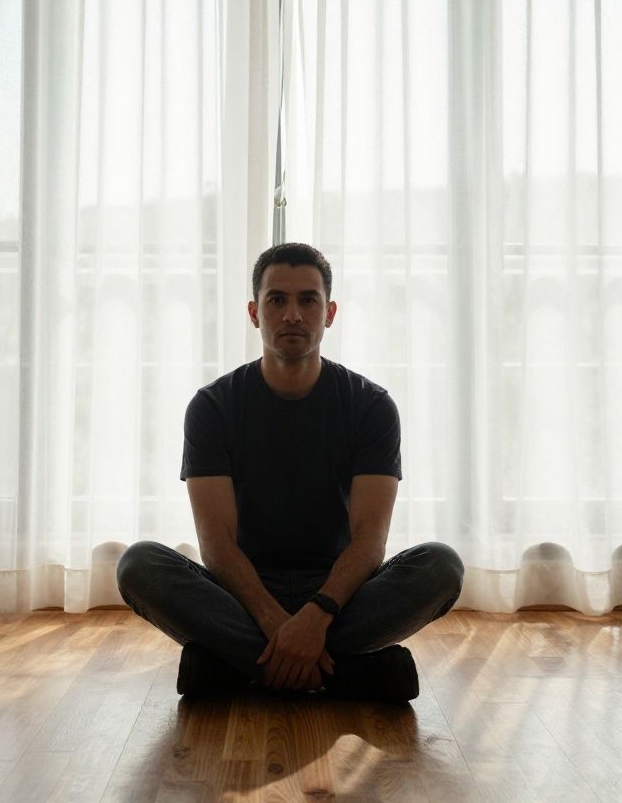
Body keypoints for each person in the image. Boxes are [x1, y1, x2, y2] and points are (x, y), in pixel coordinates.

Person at [117, 243, 463, 702]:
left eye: (308, 300)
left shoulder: (371, 406)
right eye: (277, 300)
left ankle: (235, 670)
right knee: (139, 565)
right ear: (254, 313)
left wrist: (317, 616)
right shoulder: (213, 407)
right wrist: (276, 623)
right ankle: (351, 673)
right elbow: (217, 545)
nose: (293, 314)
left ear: (330, 312)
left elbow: (369, 542)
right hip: (243, 593)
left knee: (441, 566)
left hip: (340, 594)